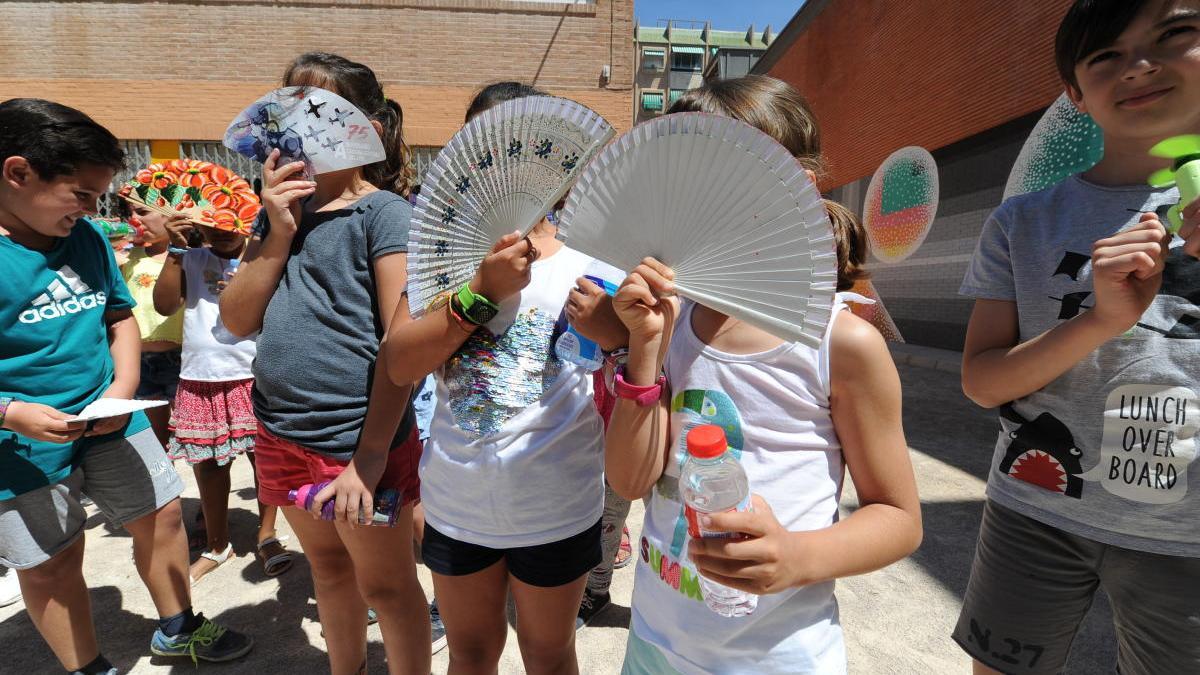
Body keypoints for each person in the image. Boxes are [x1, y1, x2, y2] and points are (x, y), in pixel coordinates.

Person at [604, 76, 923, 674]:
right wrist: (643, 350)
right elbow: (628, 480)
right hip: (655, 642)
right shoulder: (671, 319)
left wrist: (797, 557)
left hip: (778, 657)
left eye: (723, 174)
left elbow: (900, 519)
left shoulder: (842, 341)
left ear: (796, 185)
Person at [955, 2, 1200, 673]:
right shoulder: (1022, 222)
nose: (1139, 67)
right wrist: (1100, 319)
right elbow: (981, 380)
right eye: (1105, 56)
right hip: (1034, 510)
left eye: (1174, 36)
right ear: (1075, 95)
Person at [381, 81, 627, 674]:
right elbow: (399, 362)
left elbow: (628, 348)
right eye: (488, 145)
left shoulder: (590, 256)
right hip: (457, 502)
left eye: (528, 147)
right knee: (470, 652)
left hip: (558, 503)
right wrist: (480, 293)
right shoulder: (438, 253)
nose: (507, 163)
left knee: (548, 652)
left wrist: (613, 330)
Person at [0, 98, 253, 674]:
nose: (93, 210)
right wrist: (11, 411)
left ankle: (178, 627)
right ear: (18, 172)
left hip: (113, 411)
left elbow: (119, 316)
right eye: (82, 194)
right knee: (52, 562)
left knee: (162, 517)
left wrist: (124, 387)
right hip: (19, 441)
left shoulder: (84, 239)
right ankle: (89, 668)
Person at [220, 52, 429, 675]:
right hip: (281, 432)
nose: (298, 134)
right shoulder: (277, 216)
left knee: (388, 589)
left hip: (358, 443)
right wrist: (277, 233)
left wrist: (368, 460)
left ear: (366, 128)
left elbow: (403, 346)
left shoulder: (383, 213)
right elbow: (236, 319)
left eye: (318, 115)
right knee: (329, 569)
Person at [153, 215, 292, 583]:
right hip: (202, 379)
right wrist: (175, 252)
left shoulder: (263, 258)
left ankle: (267, 535)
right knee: (210, 467)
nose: (222, 231)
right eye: (212, 225)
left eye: (229, 223)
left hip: (254, 373)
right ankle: (218, 545)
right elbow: (164, 305)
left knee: (265, 462)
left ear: (246, 220)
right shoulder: (191, 259)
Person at [119, 202, 184, 447]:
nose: (135, 219)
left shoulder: (186, 258)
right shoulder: (127, 258)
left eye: (143, 212)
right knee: (156, 436)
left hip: (180, 358)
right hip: (139, 359)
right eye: (130, 213)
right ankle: (164, 480)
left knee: (187, 432)